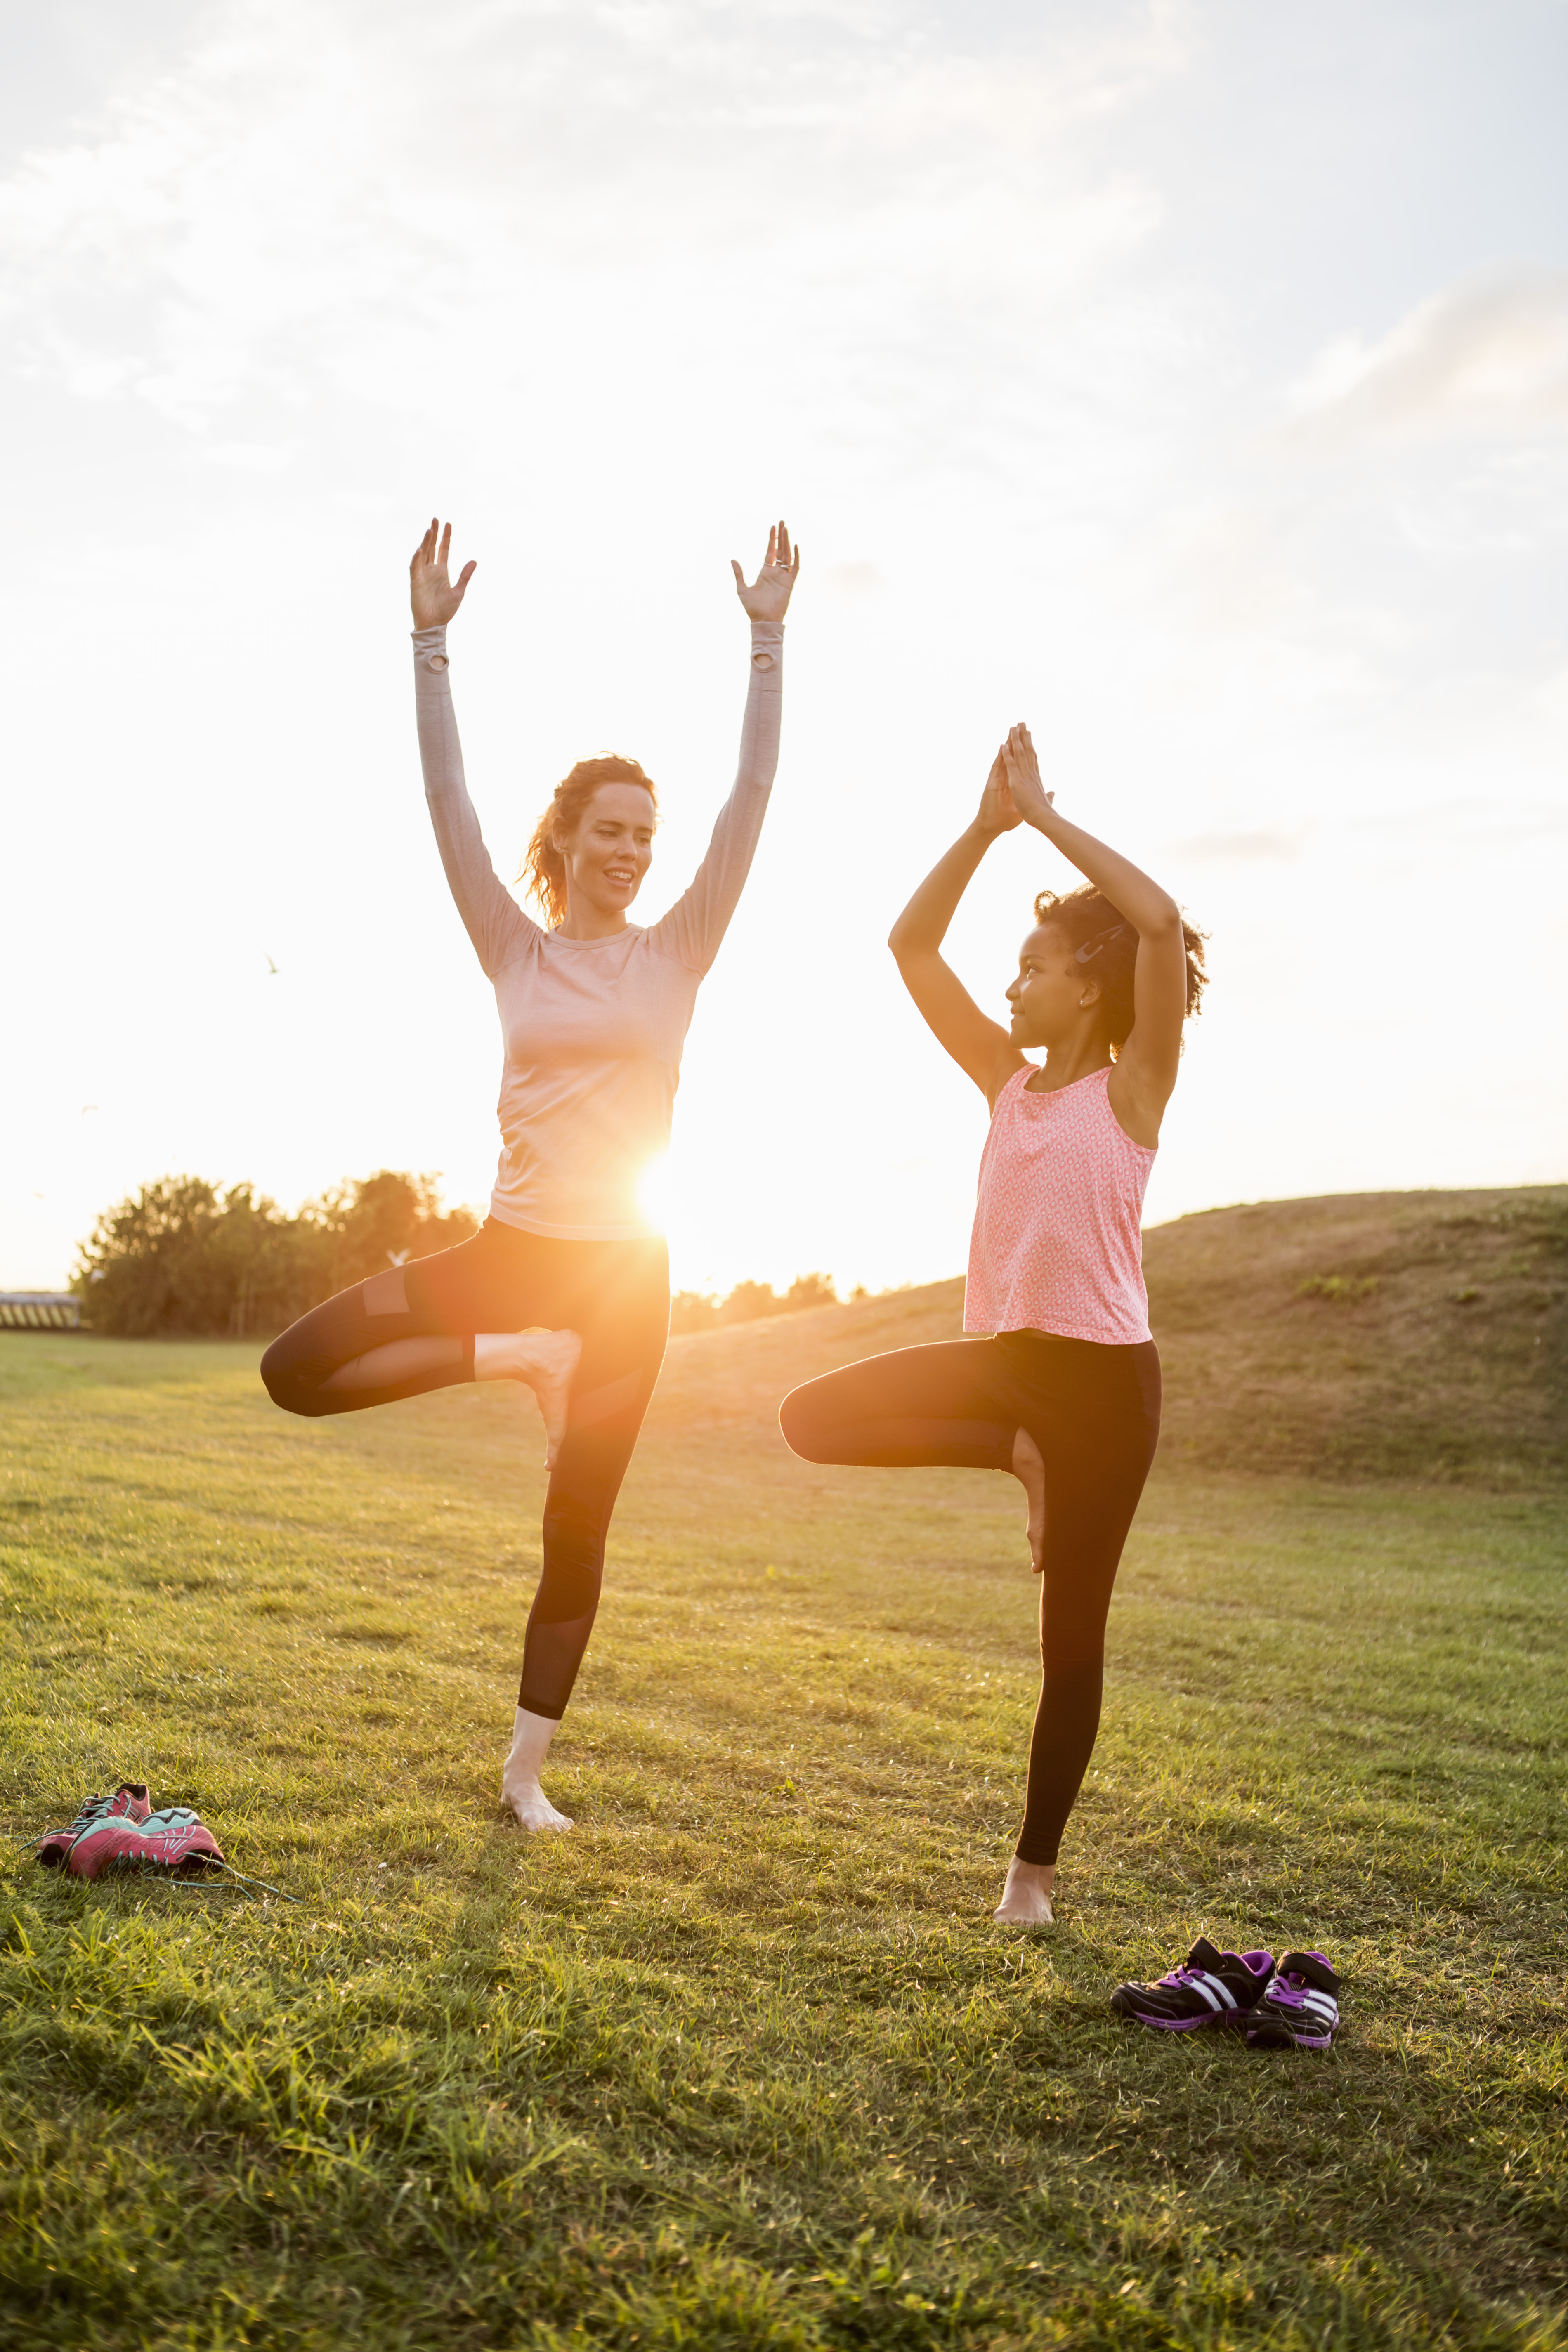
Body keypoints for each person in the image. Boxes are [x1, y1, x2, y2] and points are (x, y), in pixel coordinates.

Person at [262, 515, 800, 1831]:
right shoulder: (512, 945)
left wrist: (768, 639)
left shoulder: (680, 949)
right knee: (295, 1371)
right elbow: (446, 803)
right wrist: (429, 641)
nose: (632, 849)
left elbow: (752, 799)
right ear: (561, 839)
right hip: (511, 1256)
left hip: (626, 1274)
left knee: (580, 1519)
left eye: (644, 834)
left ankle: (524, 1776)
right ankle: (515, 1357)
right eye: (609, 829)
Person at [779, 724, 1206, 1924]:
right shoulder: (1001, 1080)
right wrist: (985, 825)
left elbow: (1162, 923)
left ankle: (1032, 1878)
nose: (1010, 984)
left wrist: (1052, 818)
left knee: (1071, 1637)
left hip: (1107, 1390)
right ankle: (1008, 1451)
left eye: (1031, 965)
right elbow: (911, 945)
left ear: (1088, 983)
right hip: (1010, 1369)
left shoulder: (1135, 1085)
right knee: (810, 1417)